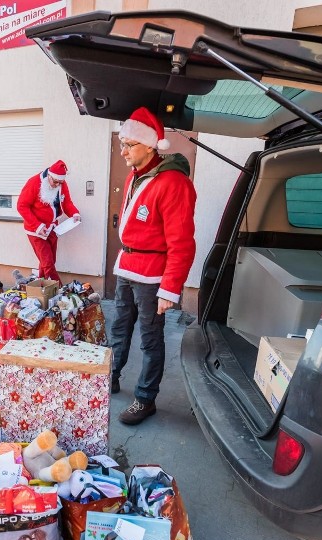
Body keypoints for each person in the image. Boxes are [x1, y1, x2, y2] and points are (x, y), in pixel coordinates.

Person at [110, 107, 196, 426]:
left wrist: (169, 289)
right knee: (119, 327)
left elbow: (182, 242)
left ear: (149, 145)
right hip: (128, 266)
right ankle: (113, 376)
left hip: (151, 275)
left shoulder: (173, 183)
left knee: (149, 337)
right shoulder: (137, 175)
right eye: (122, 144)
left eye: (129, 144)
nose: (123, 151)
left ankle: (145, 399)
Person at [17, 160, 80, 283]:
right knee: (48, 263)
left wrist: (74, 213)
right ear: (49, 176)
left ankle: (41, 286)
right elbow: (22, 206)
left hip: (52, 228)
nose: (57, 185)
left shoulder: (61, 184)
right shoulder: (34, 182)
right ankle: (59, 289)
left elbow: (66, 202)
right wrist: (37, 226)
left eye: (60, 182)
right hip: (36, 231)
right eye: (55, 182)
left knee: (49, 261)